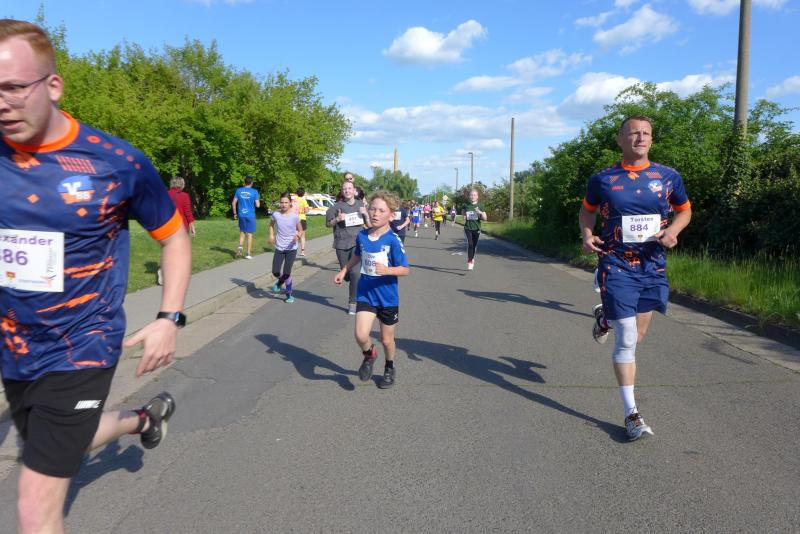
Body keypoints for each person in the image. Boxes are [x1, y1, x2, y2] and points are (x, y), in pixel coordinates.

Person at [0, 20, 192, 533]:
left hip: (82, 342)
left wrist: (169, 317)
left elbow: (174, 238)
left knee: (34, 501)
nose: (2, 103)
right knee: (60, 440)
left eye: (14, 87)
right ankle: (142, 419)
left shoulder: (115, 162)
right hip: (14, 342)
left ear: (53, 85)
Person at [579, 115, 691, 441]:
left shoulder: (667, 176)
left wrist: (673, 230)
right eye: (633, 133)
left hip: (652, 265)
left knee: (638, 335)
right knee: (627, 339)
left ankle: (605, 318)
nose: (640, 138)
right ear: (620, 140)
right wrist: (587, 234)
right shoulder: (603, 179)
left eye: (646, 133)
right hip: (615, 263)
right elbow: (587, 211)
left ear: (652, 140)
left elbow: (684, 210)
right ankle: (632, 413)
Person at [333, 191, 409, 389]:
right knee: (360, 335)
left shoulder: (393, 240)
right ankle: (369, 355)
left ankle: (389, 367)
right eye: (373, 209)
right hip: (366, 293)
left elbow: (405, 269)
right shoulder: (362, 236)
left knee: (386, 339)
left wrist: (388, 270)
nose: (375, 213)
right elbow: (357, 255)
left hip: (387, 297)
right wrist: (344, 270)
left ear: (391, 215)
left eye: (381, 210)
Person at [325, 180, 370, 314]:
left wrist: (366, 214)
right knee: (347, 275)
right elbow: (328, 224)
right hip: (341, 244)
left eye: (350, 188)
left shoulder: (361, 205)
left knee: (356, 273)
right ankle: (346, 276)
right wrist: (337, 219)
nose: (347, 191)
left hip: (358, 243)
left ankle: (353, 302)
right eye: (344, 189)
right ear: (342, 191)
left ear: (354, 190)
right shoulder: (336, 207)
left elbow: (369, 225)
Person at [158, 176, 196, 285]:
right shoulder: (184, 196)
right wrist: (192, 227)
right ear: (181, 184)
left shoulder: (164, 194)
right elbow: (188, 212)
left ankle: (163, 271)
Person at [269, 192, 303, 303]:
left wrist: (297, 236)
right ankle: (280, 282)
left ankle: (289, 294)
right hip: (279, 247)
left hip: (291, 248)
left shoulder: (295, 216)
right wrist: (271, 235)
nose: (283, 205)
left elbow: (300, 230)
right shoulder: (276, 215)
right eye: (282, 202)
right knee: (275, 271)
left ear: (290, 203)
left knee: (287, 272)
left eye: (286, 202)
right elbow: (271, 225)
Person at [232, 176, 260, 259]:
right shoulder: (254, 191)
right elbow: (258, 205)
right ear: (252, 183)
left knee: (242, 232)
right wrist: (256, 201)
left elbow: (233, 203)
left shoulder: (239, 190)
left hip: (241, 214)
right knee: (249, 234)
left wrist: (235, 213)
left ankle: (240, 247)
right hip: (250, 215)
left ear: (244, 182)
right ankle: (248, 254)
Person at [462, 189, 487, 270]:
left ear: (477, 197)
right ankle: (470, 261)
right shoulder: (466, 205)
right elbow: (463, 213)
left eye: (474, 195)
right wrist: (464, 216)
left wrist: (480, 212)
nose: (473, 196)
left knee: (474, 246)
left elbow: (485, 218)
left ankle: (472, 258)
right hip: (468, 227)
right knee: (470, 244)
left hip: (477, 228)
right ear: (469, 196)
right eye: (471, 195)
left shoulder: (480, 206)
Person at [292, 187, 309, 257]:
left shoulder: (294, 200)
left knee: (295, 233)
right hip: (302, 218)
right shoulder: (303, 200)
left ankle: (293, 250)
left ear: (297, 193)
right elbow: (306, 210)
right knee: (302, 236)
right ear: (303, 193)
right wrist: (304, 210)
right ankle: (302, 251)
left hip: (294, 218)